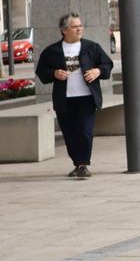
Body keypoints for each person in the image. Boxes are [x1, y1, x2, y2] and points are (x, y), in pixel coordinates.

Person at [34, 13, 114, 178]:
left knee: (84, 131)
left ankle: (83, 164)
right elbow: (41, 72)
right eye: (75, 26)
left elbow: (107, 64)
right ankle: (77, 163)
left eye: (80, 26)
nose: (79, 29)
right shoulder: (53, 51)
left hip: (87, 98)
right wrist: (54, 73)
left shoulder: (91, 47)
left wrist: (97, 71)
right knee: (69, 133)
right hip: (64, 100)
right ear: (64, 30)